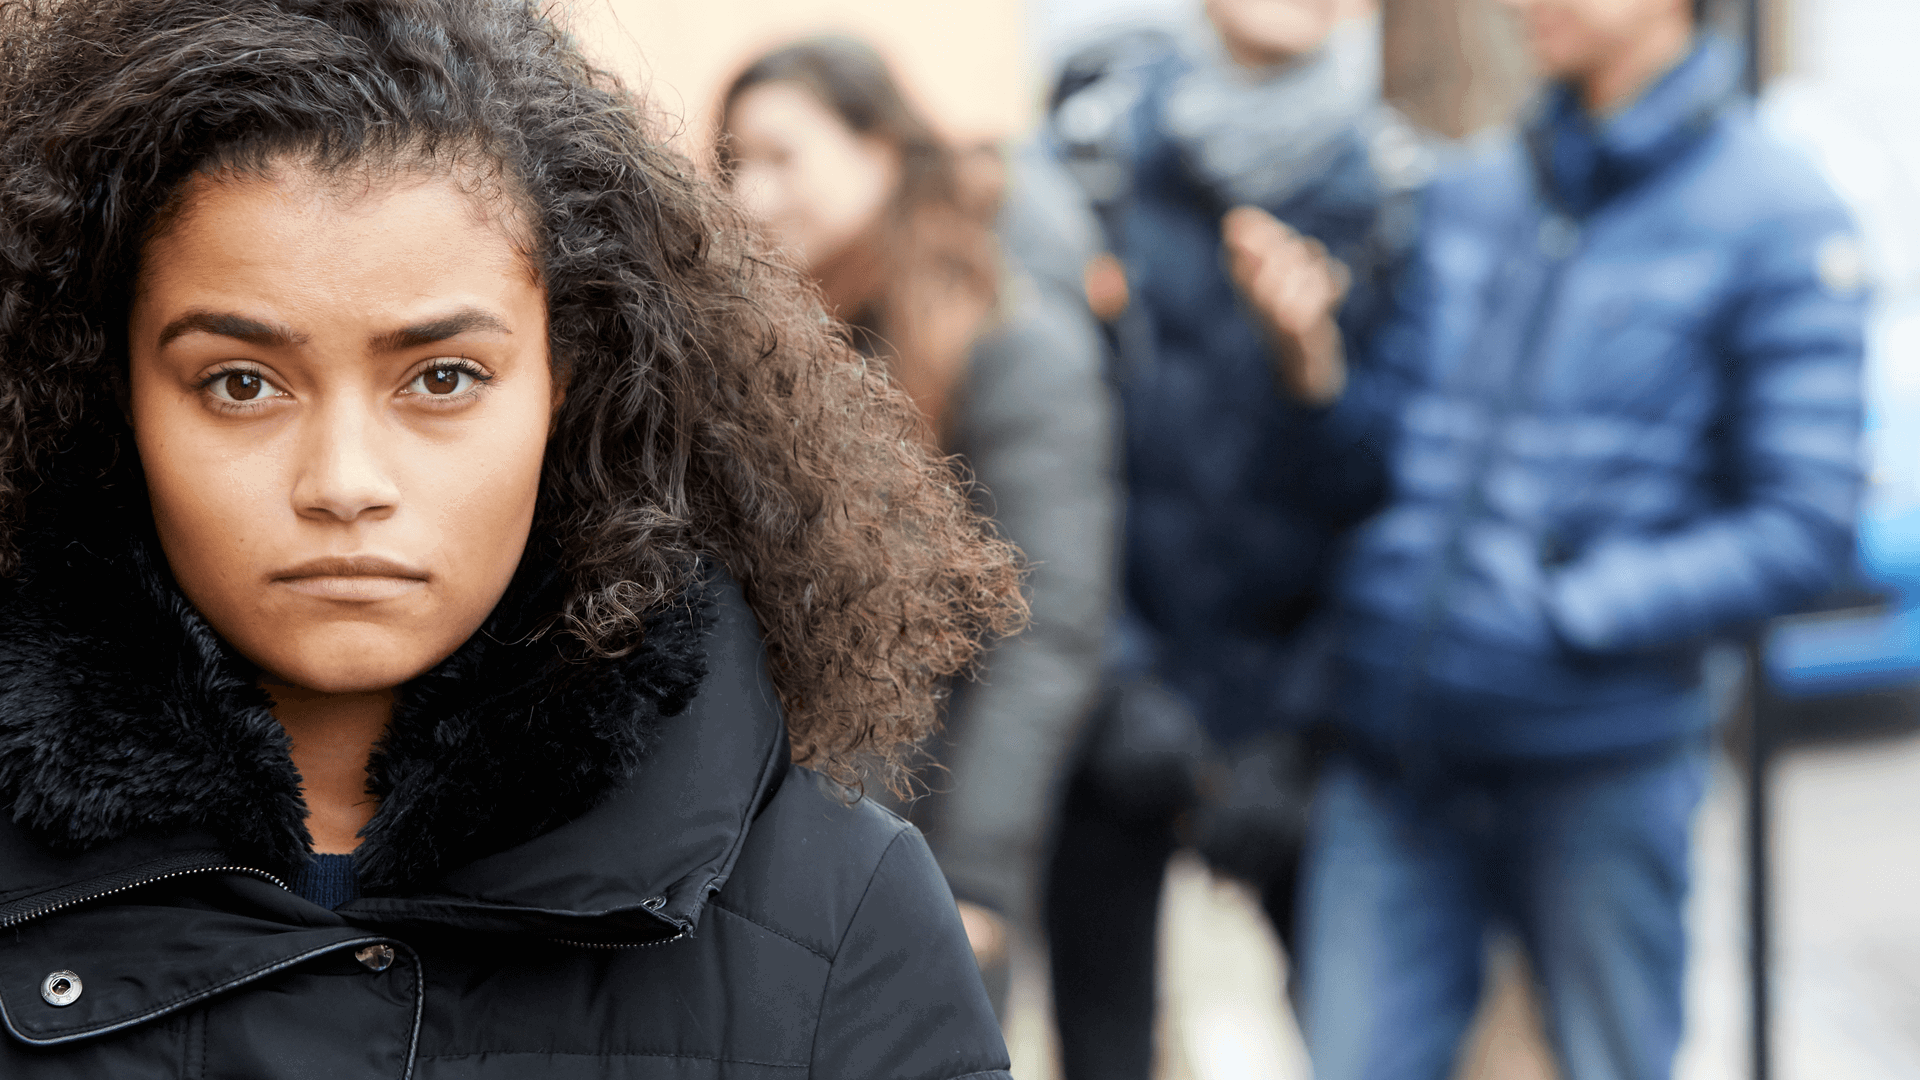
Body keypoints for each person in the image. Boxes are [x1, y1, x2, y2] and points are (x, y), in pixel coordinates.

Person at [0, 2, 1029, 1077]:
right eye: (242, 383)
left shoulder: (839, 916)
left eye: (442, 379)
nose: (346, 483)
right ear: (109, 390)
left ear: (564, 384)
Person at [1226, 0, 1868, 1075]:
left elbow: (1806, 525)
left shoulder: (1779, 212)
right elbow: (1373, 461)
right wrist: (1312, 371)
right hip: (1396, 753)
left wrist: (1571, 610)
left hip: (1600, 765)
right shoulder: (1478, 189)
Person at [1038, 1, 1408, 1075]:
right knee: (1104, 1044)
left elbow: (1397, 495)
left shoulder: (1397, 190)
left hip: (1305, 716)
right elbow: (1032, 462)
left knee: (1361, 1040)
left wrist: (1301, 729)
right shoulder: (1089, 156)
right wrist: (1115, 676)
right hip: (1112, 691)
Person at [719, 37, 1117, 1015]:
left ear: (882, 151)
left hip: (926, 853)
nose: (751, 195)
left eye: (782, 158)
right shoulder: (767, 349)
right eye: (732, 165)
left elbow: (1047, 631)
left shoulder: (1010, 345)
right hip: (780, 856)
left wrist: (978, 881)